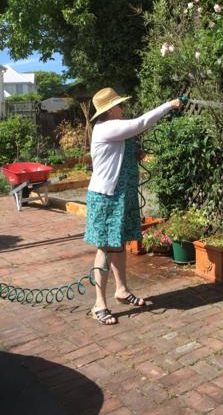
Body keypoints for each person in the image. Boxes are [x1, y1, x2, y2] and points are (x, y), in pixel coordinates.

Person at [84, 87, 181, 325]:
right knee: (106, 248)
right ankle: (99, 304)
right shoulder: (106, 127)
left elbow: (122, 149)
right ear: (110, 109)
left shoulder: (116, 130)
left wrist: (134, 153)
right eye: (119, 105)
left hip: (122, 196)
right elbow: (140, 123)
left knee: (120, 244)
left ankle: (122, 290)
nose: (123, 108)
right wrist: (169, 105)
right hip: (106, 198)